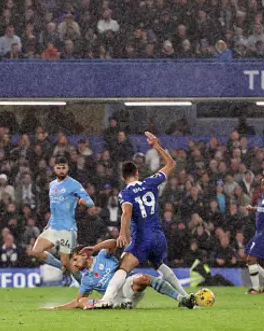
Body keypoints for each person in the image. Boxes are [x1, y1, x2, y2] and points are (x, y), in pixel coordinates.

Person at [92, 132, 188, 308]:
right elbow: (171, 164)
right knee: (158, 265)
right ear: (137, 172)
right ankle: (185, 296)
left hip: (142, 238)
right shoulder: (150, 182)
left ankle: (106, 300)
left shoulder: (125, 193)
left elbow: (127, 213)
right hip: (159, 237)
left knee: (123, 267)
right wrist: (156, 146)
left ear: (123, 177)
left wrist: (122, 233)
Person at [42, 239, 196, 309]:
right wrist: (56, 308)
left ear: (84, 255)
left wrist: (93, 248)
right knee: (83, 301)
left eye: (75, 259)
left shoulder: (102, 255)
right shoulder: (86, 279)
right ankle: (115, 305)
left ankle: (181, 299)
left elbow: (114, 243)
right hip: (114, 300)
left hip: (128, 286)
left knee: (144, 278)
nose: (74, 264)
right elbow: (77, 301)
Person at [27, 156, 93, 281]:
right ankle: (62, 268)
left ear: (68, 168)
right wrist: (49, 223)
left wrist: (84, 201)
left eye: (64, 167)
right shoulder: (52, 185)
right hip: (53, 227)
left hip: (67, 229)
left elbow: (90, 202)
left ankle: (85, 286)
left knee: (68, 263)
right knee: (36, 251)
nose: (61, 170)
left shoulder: (74, 184)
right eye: (59, 168)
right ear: (54, 169)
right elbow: (55, 208)